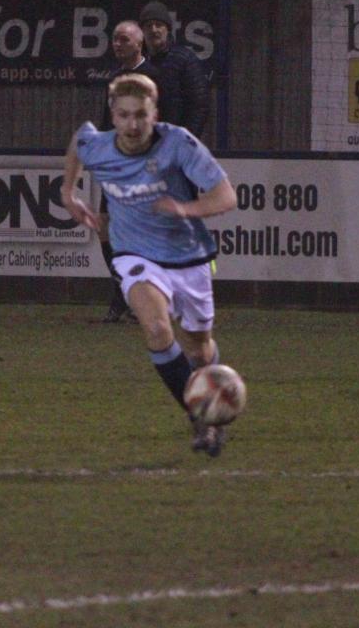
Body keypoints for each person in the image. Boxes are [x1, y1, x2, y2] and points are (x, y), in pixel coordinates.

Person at [61, 72, 236, 455]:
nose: (133, 124)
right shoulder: (98, 145)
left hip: (188, 256)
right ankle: (201, 417)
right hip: (134, 254)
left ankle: (210, 395)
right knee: (156, 328)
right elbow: (79, 140)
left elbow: (226, 197)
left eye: (141, 114)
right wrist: (68, 191)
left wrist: (185, 209)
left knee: (200, 349)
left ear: (154, 113)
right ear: (113, 115)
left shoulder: (178, 143)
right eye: (124, 115)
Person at [98, 21, 160, 323]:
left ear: (139, 43)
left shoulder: (152, 77)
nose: (117, 44)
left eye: (124, 39)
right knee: (104, 227)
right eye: (115, 39)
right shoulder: (115, 78)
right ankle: (122, 292)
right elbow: (107, 121)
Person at [139, 1, 210, 137]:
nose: (154, 30)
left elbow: (199, 105)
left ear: (168, 29)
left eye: (158, 25)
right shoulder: (137, 61)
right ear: (142, 31)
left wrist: (185, 140)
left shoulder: (185, 59)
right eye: (148, 25)